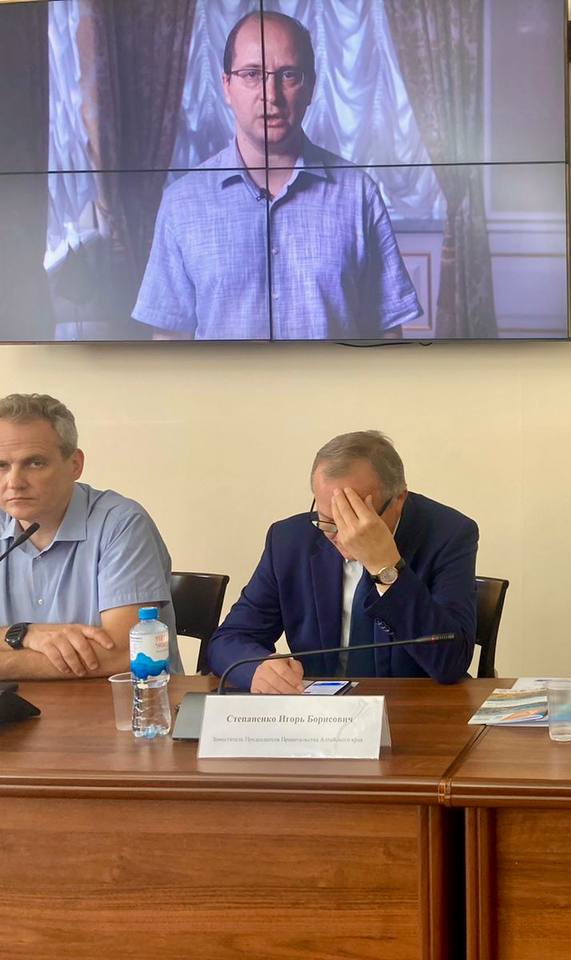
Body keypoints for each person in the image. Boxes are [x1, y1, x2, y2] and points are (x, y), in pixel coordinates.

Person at [132, 11, 421, 340]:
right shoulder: (181, 202)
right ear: (226, 86)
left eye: (288, 75)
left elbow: (386, 334)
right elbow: (170, 342)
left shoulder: (359, 194)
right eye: (252, 74)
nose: (270, 95)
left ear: (310, 87)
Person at [207, 430, 477, 692]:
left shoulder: (449, 534)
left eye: (357, 517)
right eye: (329, 520)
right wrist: (257, 669)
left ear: (399, 499)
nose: (344, 535)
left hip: (412, 708)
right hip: (318, 708)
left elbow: (450, 662)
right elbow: (229, 640)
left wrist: (386, 568)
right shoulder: (290, 540)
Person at [0, 394, 178, 679]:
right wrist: (23, 634)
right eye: (1, 466)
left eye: (34, 463)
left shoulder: (121, 523)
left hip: (118, 701)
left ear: (75, 464)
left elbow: (125, 653)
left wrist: (7, 661)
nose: (14, 482)